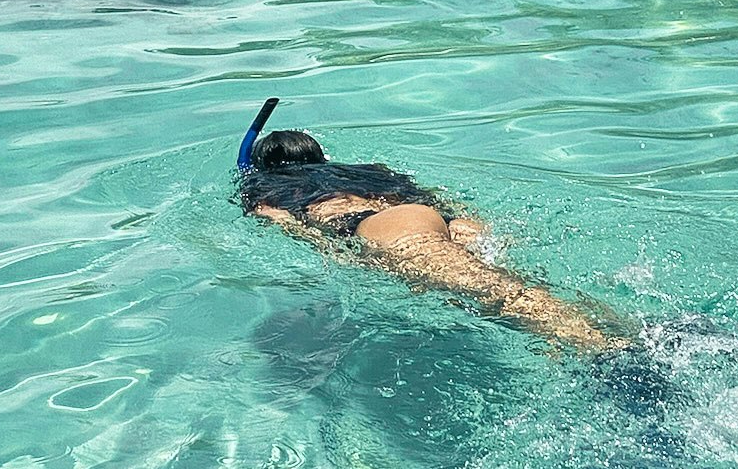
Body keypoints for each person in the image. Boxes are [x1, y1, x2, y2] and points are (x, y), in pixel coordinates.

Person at [235, 99, 635, 356]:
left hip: (380, 228)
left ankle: (601, 350)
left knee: (494, 292)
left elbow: (281, 221)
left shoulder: (266, 186)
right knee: (500, 284)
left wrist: (334, 253)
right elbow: (432, 198)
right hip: (442, 219)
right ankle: (624, 330)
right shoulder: (366, 171)